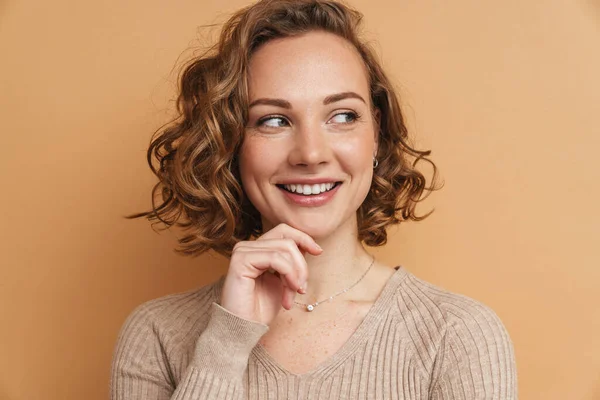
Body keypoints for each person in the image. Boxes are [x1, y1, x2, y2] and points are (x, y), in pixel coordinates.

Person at [110, 0, 517, 398]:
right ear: (231, 143)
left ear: (375, 132)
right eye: (273, 120)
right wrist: (227, 341)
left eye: (342, 116)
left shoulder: (458, 335)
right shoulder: (157, 335)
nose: (311, 153)